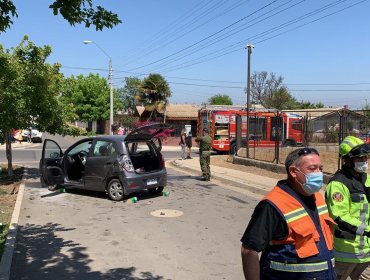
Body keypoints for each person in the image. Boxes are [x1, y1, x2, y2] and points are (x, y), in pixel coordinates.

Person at [241, 147, 336, 280]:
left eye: (320, 168)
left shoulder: (317, 197)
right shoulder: (273, 204)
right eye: (312, 168)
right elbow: (248, 250)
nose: (318, 173)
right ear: (293, 172)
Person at [325, 136, 370, 280]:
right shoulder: (338, 184)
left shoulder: (365, 178)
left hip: (366, 253)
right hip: (344, 253)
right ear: (347, 160)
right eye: (359, 158)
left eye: (365, 157)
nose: (364, 161)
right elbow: (339, 216)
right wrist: (367, 230)